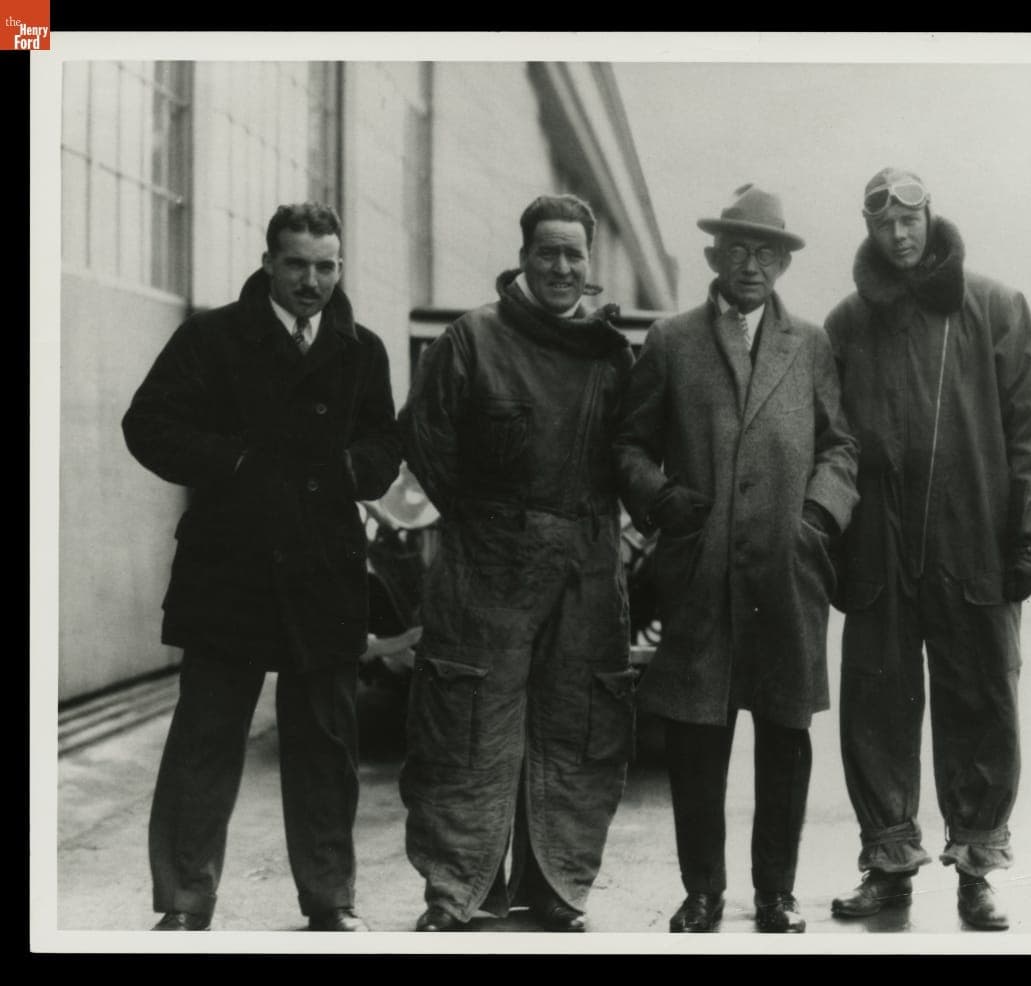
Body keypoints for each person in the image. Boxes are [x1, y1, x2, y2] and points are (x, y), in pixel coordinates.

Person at [122, 203, 402, 932]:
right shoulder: (211, 338)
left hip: (323, 567)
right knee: (205, 741)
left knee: (327, 747)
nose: (312, 281)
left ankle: (330, 898)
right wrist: (235, 462)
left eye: (326, 266)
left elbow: (384, 445)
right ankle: (184, 901)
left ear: (340, 266)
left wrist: (350, 470)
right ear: (269, 261)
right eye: (297, 264)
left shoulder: (363, 351)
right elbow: (146, 424)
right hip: (230, 565)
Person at [614, 184, 860, 933]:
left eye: (767, 253)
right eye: (739, 250)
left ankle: (777, 894)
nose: (752, 265)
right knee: (697, 736)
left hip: (786, 571)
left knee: (784, 736)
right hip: (701, 569)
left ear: (784, 264)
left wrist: (816, 517)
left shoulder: (809, 344)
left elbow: (841, 447)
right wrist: (662, 501)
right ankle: (703, 894)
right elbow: (628, 446)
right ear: (713, 256)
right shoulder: (672, 341)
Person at [824, 168, 1031, 931]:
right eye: (885, 222)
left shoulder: (994, 307)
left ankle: (976, 869)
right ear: (870, 229)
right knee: (876, 708)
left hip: (975, 547)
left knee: (981, 704)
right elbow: (828, 438)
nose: (900, 234)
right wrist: (831, 538)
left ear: (930, 217)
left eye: (911, 218)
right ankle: (888, 866)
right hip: (879, 553)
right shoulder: (847, 324)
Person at [398, 193, 636, 933]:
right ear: (524, 256)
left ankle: (558, 888)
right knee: (466, 724)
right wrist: (493, 525)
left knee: (577, 726)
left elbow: (634, 453)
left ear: (589, 264)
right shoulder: (471, 339)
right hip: (486, 568)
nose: (561, 267)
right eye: (548, 252)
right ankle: (458, 892)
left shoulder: (610, 354)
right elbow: (426, 439)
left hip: (587, 569)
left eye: (574, 254)